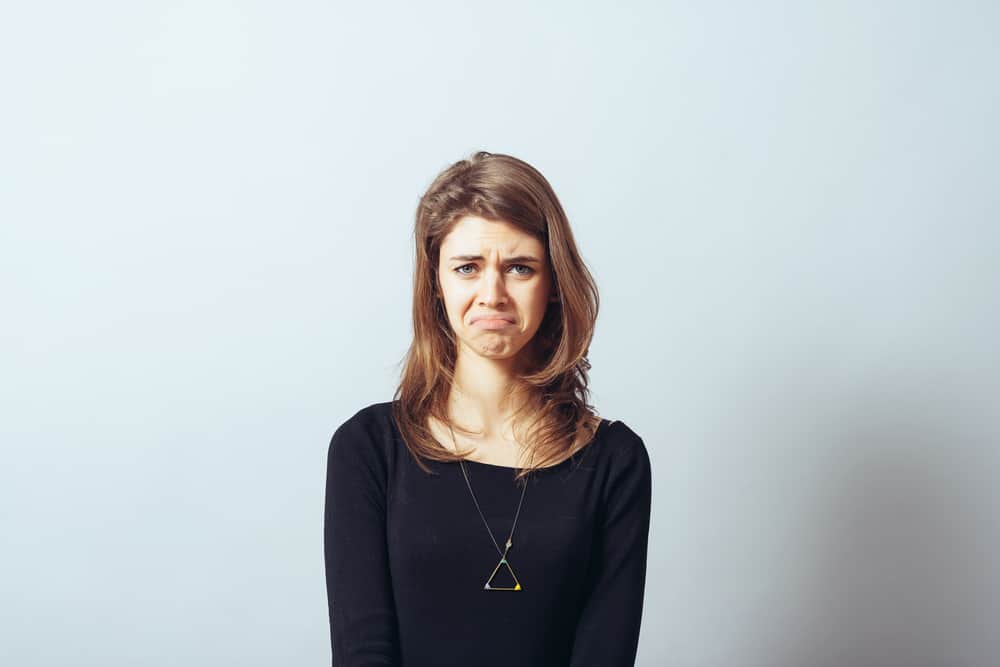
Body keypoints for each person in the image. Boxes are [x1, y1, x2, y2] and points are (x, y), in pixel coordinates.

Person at [324, 150, 652, 666]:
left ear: (554, 286)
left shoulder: (614, 461)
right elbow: (362, 651)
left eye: (520, 267)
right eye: (467, 268)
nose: (491, 293)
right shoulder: (369, 448)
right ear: (437, 284)